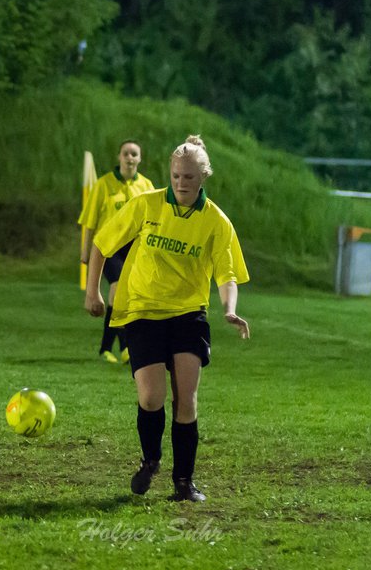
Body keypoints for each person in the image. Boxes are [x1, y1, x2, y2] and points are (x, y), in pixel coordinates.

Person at [84, 135, 250, 502]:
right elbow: (102, 242)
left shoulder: (216, 222)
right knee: (150, 397)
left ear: (203, 177)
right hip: (142, 311)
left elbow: (227, 274)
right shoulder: (147, 205)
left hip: (188, 315)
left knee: (186, 400)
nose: (180, 183)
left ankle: (184, 483)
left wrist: (229, 309)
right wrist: (92, 291)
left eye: (188, 177)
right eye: (176, 175)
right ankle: (150, 460)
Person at [78, 140, 155, 363]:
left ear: (140, 159)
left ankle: (114, 348)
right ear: (119, 157)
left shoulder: (147, 186)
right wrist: (85, 251)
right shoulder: (103, 185)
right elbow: (89, 222)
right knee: (117, 288)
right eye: (126, 153)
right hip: (108, 248)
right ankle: (118, 347)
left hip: (134, 248)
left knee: (125, 296)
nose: (130, 158)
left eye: (134, 154)